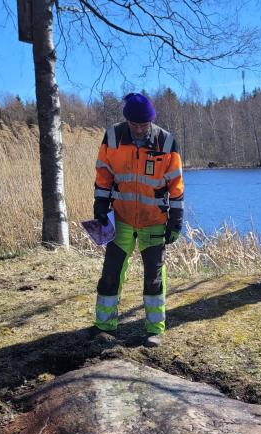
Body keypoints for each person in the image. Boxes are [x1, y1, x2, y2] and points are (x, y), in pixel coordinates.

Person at [91, 92, 184, 347]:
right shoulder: (113, 137)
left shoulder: (166, 142)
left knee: (154, 277)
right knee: (110, 273)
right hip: (120, 219)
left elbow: (176, 185)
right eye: (135, 125)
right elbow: (103, 174)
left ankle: (155, 329)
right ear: (127, 121)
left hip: (154, 220)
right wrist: (100, 205)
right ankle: (104, 326)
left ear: (151, 121)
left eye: (144, 125)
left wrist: (176, 220)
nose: (140, 130)